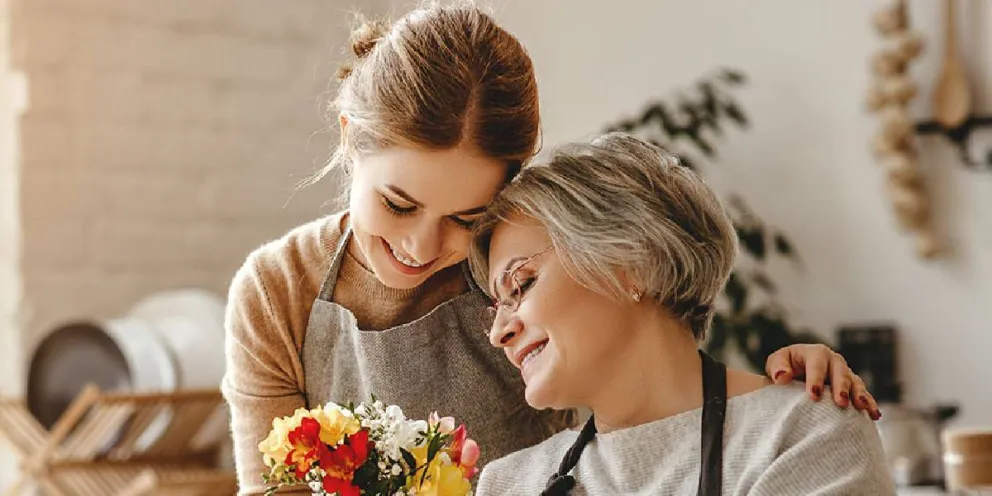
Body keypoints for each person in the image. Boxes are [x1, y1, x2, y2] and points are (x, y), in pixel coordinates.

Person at [221, 5, 881, 494]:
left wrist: (777, 394)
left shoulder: (796, 435)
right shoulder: (279, 292)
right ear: (348, 140)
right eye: (398, 204)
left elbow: (650, 386)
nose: (421, 246)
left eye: (467, 218)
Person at [470, 133, 894, 495]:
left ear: (631, 263)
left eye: (521, 284)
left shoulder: (803, 432)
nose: (498, 333)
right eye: (496, 307)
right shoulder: (509, 484)